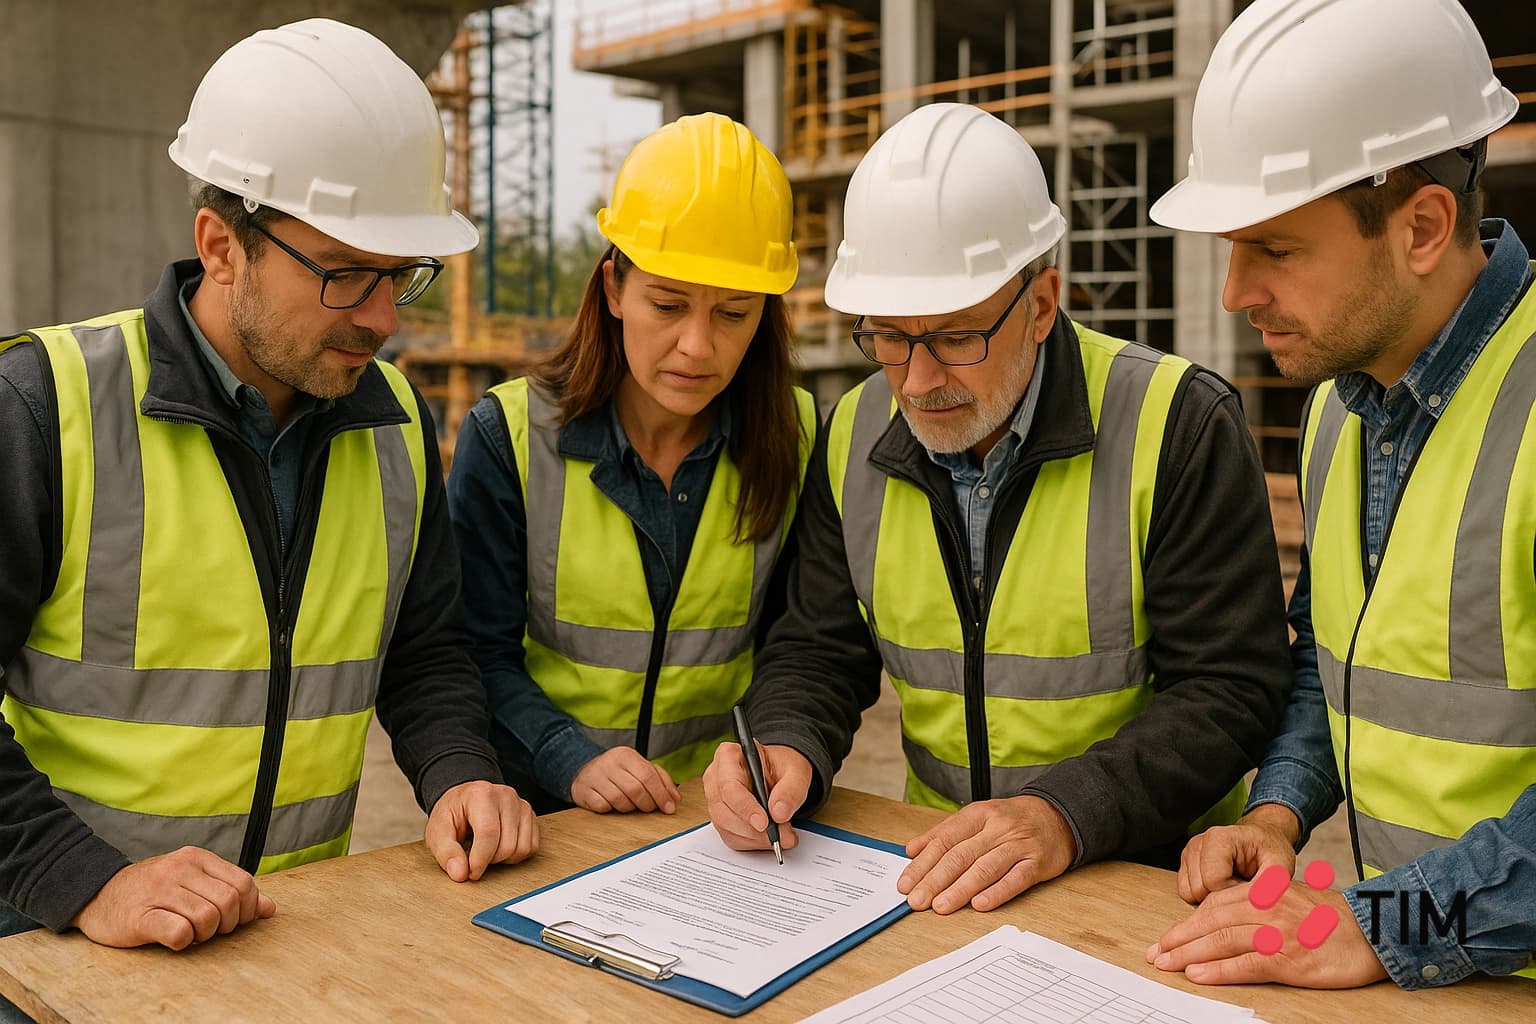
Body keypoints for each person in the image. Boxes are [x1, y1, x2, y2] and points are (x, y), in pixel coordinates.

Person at [0, 18, 538, 967]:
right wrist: (86, 881)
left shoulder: (400, 425)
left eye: (399, 277)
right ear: (219, 245)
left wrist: (460, 772)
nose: (379, 318)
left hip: (280, 949)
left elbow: (426, 655)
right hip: (65, 955)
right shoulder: (47, 408)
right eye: (343, 275)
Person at [701, 102, 1292, 915]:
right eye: (889, 337)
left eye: (952, 337)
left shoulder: (1177, 423)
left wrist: (1065, 814)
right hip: (939, 880)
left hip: (1147, 888)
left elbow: (1231, 689)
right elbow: (816, 649)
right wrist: (784, 745)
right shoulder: (854, 434)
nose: (914, 380)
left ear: (1042, 304)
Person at [1146, 0, 1536, 990]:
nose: (1234, 292)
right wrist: (1278, 811)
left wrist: (1385, 922)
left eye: (1274, 249)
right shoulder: (1339, 410)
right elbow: (1340, 656)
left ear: (1422, 227)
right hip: (1408, 980)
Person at [447, 113, 818, 816]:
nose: (697, 347)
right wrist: (568, 757)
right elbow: (471, 653)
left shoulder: (797, 436)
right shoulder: (510, 436)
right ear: (613, 288)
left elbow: (797, 648)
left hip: (712, 827)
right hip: (547, 820)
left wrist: (774, 754)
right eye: (669, 305)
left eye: (734, 314)